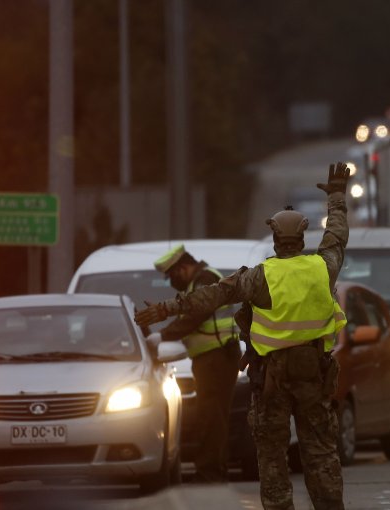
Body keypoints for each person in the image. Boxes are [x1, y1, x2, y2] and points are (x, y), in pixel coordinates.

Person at [136, 162, 351, 510]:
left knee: (271, 455)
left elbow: (209, 296)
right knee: (320, 451)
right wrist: (337, 197)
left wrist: (164, 309)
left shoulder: (258, 277)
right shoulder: (322, 267)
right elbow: (337, 235)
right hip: (314, 373)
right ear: (301, 239)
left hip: (272, 381)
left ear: (276, 241)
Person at [149, 244, 241, 483]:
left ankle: (209, 475)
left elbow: (194, 315)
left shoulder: (206, 280)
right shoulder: (198, 282)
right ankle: (214, 472)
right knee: (213, 419)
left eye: (172, 275)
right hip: (213, 358)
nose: (171, 281)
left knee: (211, 420)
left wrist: (164, 335)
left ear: (184, 267)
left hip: (217, 358)